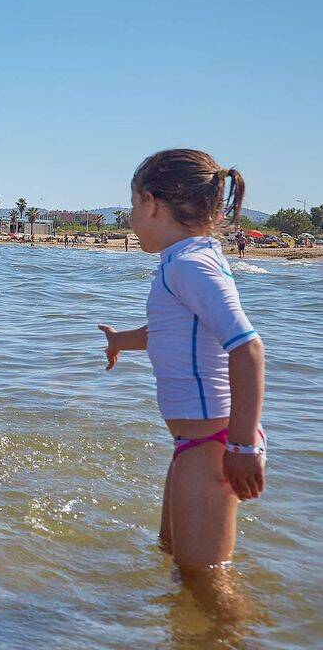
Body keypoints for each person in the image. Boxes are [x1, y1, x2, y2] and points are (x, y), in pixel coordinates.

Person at [98, 150, 264, 591]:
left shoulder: (191, 265)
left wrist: (243, 446)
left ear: (151, 203)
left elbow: (247, 347)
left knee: (205, 584)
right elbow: (174, 332)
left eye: (132, 207)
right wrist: (122, 341)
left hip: (215, 444)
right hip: (196, 441)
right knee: (173, 557)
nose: (131, 219)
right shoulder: (185, 261)